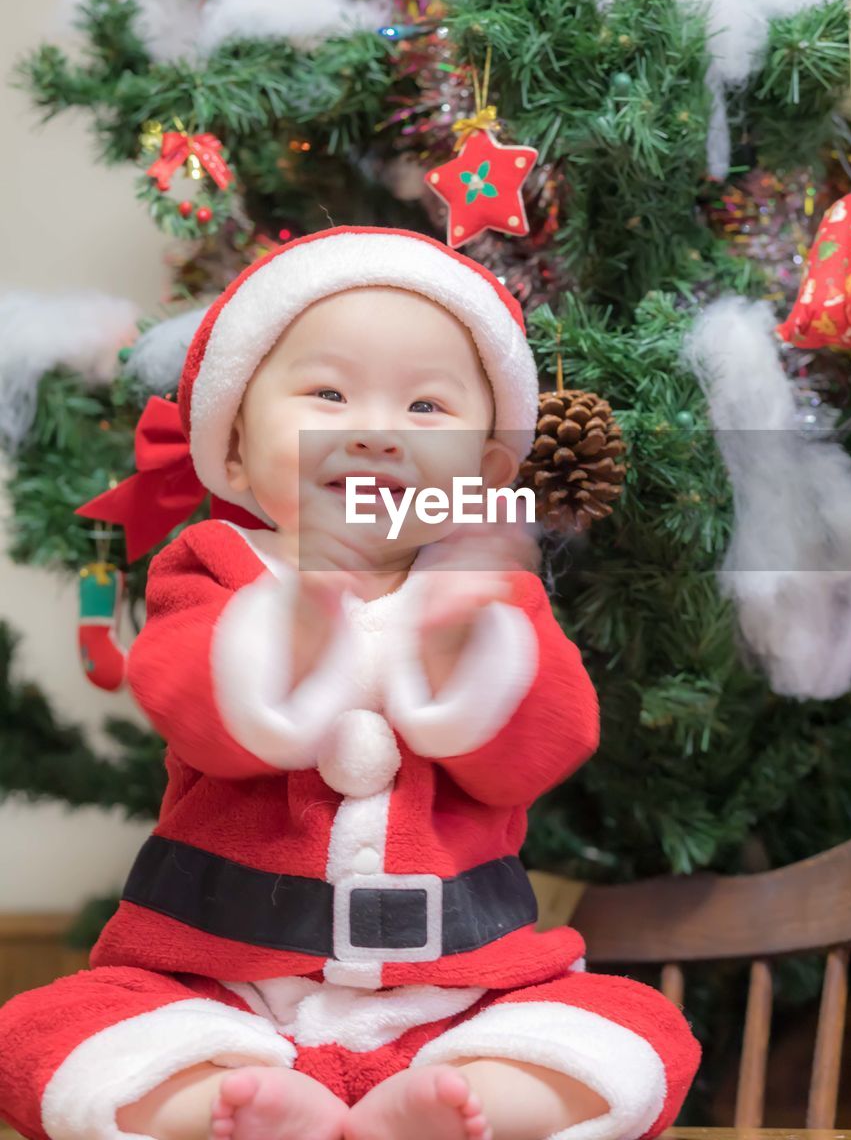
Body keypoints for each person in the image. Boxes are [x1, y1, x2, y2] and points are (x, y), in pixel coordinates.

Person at [0, 226, 700, 1140]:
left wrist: (465, 650)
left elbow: (547, 745)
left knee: (642, 1034)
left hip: (455, 999)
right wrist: (289, 632)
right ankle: (234, 1106)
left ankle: (459, 1106)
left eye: (424, 408)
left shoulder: (491, 599)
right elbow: (192, 704)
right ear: (238, 451)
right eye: (327, 393)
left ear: (485, 474)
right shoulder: (212, 568)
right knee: (44, 1036)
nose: (371, 430)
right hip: (220, 987)